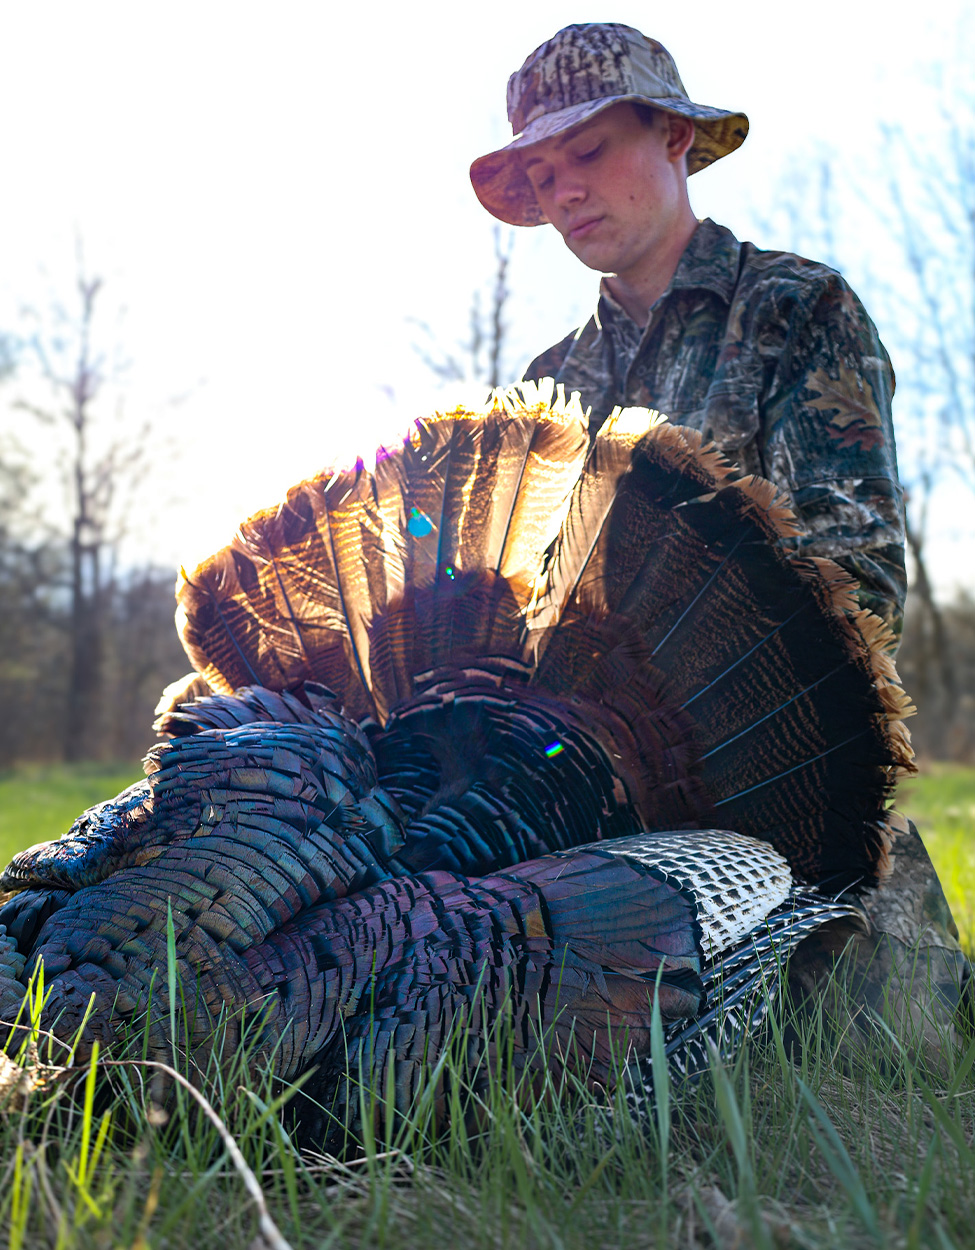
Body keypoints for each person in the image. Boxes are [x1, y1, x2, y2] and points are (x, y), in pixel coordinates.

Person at [470, 22, 968, 1056]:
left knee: (861, 1068)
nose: (564, 192)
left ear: (674, 138)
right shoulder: (547, 380)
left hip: (783, 811)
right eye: (543, 171)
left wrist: (684, 722)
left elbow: (858, 580)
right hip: (582, 823)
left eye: (591, 151)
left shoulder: (795, 309)